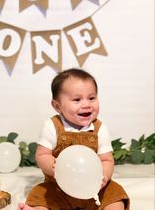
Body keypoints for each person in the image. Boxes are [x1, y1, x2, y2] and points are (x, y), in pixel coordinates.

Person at [17, 68, 129, 210]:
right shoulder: (52, 126)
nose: (86, 104)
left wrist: (104, 177)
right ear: (57, 106)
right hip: (59, 188)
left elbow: (106, 160)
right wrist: (54, 166)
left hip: (93, 189)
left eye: (92, 98)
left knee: (115, 195)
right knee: (41, 195)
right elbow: (42, 155)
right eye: (77, 99)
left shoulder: (100, 129)